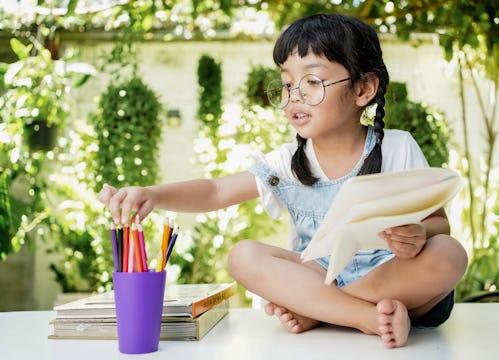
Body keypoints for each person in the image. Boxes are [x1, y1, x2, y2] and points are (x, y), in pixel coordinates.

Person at [98, 13, 467, 348]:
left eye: (312, 81)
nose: (295, 97)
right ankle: (365, 317)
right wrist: (152, 194)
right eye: (287, 84)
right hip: (325, 280)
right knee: (244, 255)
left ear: (362, 90)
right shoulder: (286, 164)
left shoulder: (397, 147)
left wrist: (419, 235)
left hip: (400, 284)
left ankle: (324, 310)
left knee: (449, 253)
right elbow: (215, 190)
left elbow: (438, 224)